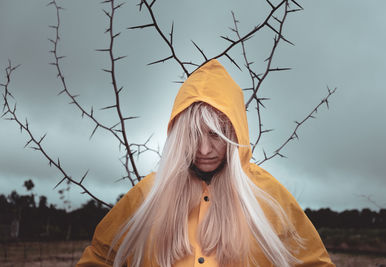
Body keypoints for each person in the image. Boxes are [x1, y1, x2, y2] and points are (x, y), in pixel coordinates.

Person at [77, 59, 335, 267]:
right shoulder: (148, 194)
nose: (203, 149)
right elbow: (100, 258)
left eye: (215, 134)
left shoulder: (268, 195)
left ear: (235, 134)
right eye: (193, 135)